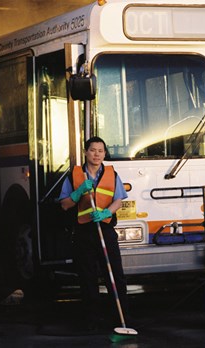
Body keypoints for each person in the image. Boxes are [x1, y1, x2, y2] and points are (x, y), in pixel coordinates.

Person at [59, 136, 129, 331]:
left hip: (105, 229)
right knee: (88, 277)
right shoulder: (75, 175)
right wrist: (78, 192)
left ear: (105, 154)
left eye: (100, 151)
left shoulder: (111, 174)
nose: (96, 154)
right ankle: (92, 320)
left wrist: (107, 212)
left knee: (115, 276)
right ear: (85, 152)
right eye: (92, 150)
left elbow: (118, 200)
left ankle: (121, 319)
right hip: (84, 232)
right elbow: (64, 205)